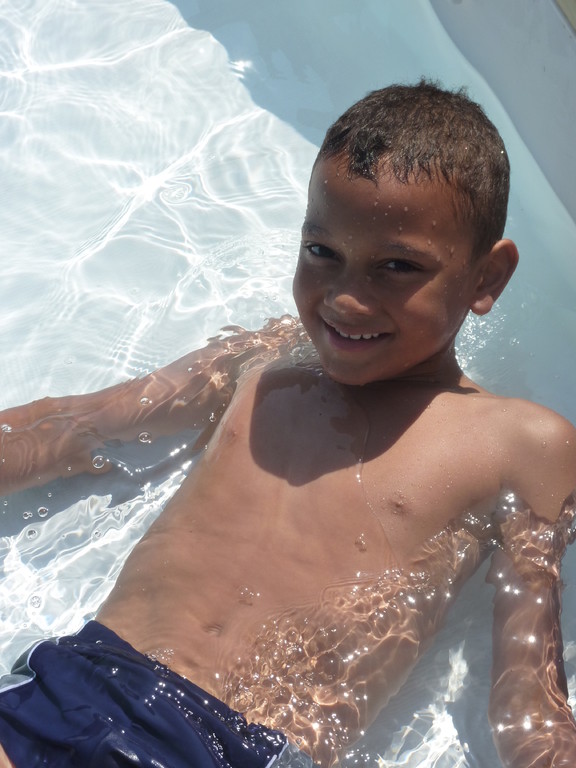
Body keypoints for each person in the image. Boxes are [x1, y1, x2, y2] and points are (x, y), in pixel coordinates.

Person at [0, 80, 575, 768]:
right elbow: (78, 425)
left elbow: (527, 699)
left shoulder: (521, 444)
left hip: (240, 748)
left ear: (487, 278)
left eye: (397, 266)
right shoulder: (266, 358)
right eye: (321, 252)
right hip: (81, 679)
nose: (345, 300)